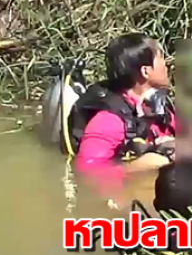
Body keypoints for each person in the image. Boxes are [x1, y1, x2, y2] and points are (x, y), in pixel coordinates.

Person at [70, 33, 178, 192]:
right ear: (145, 71)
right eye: (161, 57)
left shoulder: (161, 106)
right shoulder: (109, 121)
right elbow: (86, 174)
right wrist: (142, 165)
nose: (166, 63)